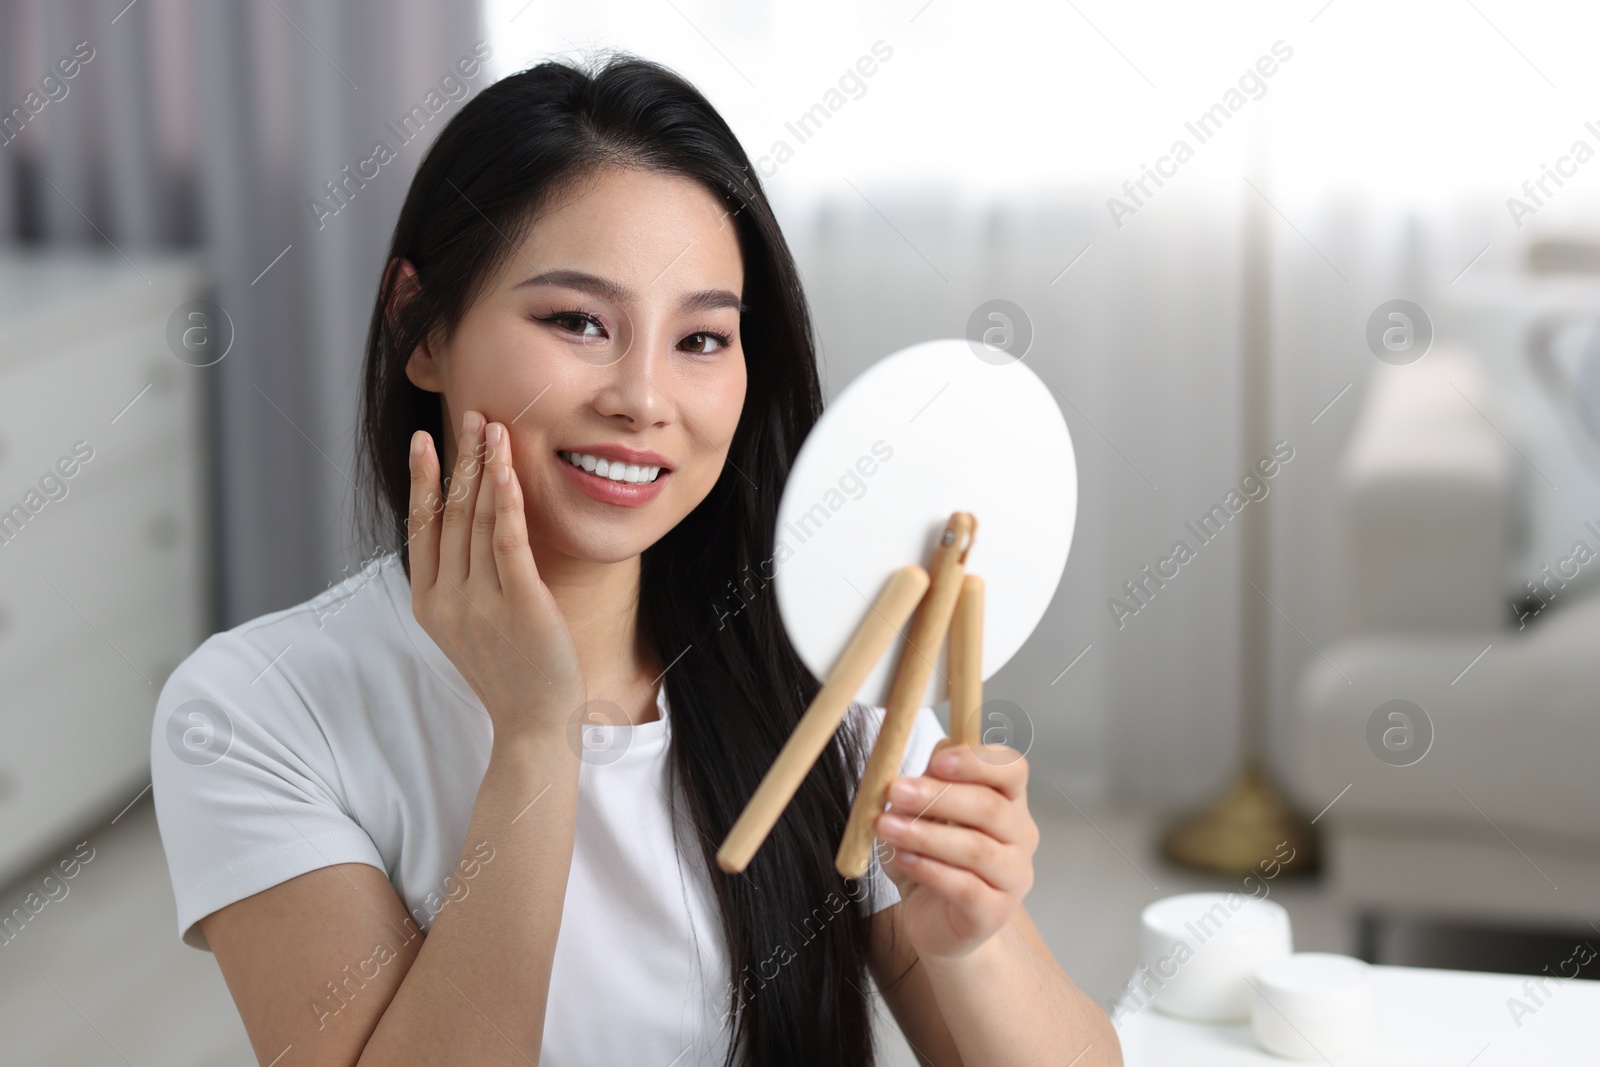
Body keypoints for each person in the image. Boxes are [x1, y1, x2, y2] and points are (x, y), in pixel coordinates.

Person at [149, 51, 1120, 1067]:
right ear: (418, 325)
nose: (643, 399)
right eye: (577, 321)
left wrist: (972, 942)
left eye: (702, 339)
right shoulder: (253, 709)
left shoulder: (836, 672)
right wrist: (535, 736)